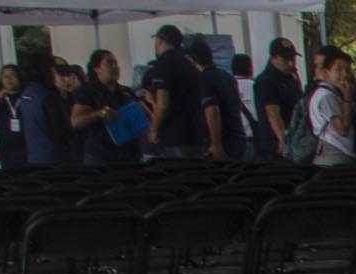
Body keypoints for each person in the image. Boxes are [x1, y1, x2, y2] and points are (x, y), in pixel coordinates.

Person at [138, 24, 210, 162]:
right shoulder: (189, 63)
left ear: (160, 40)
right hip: (195, 133)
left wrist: (153, 128)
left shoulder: (163, 63)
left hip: (174, 137)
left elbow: (163, 104)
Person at [75, 48, 143, 169]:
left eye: (116, 63)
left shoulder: (125, 91)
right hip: (101, 156)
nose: (115, 67)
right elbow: (76, 121)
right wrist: (100, 113)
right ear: (97, 69)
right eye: (109, 63)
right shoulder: (88, 92)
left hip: (130, 154)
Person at [303, 45, 356, 166]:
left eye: (347, 70)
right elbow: (342, 129)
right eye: (338, 69)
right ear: (326, 72)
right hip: (333, 156)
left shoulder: (333, 93)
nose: (344, 74)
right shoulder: (326, 96)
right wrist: (347, 99)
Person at [196, 40, 249, 167]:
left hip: (223, 140)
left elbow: (212, 110)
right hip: (238, 136)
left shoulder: (204, 79)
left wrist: (216, 144)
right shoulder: (226, 77)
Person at [17, 59, 73, 172]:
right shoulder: (47, 97)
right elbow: (60, 131)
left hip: (33, 158)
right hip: (53, 159)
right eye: (53, 72)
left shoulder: (25, 94)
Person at [253, 36, 303, 162]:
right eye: (286, 60)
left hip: (295, 141)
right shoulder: (266, 81)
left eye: (292, 59)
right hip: (276, 146)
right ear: (273, 59)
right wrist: (283, 140)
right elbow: (273, 113)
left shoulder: (290, 78)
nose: (291, 63)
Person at [0, 62, 27, 171]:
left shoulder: (27, 96)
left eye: (13, 75)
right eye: (5, 76)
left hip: (26, 147)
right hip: (7, 149)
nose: (9, 79)